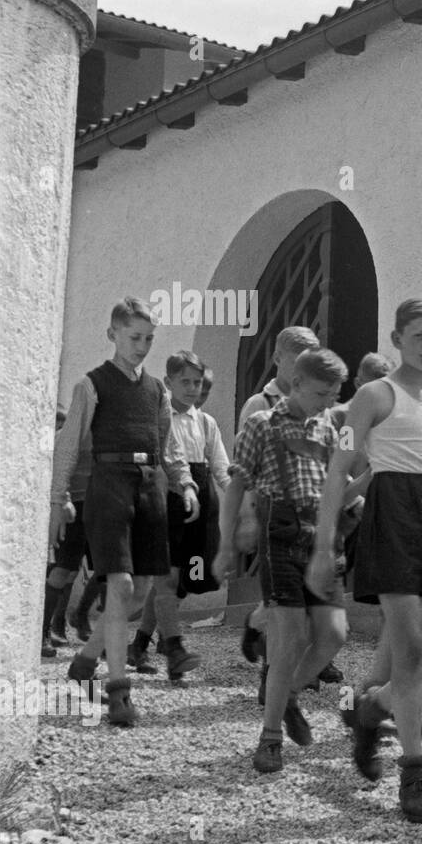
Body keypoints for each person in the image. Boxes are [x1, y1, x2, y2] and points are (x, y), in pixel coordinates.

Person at [308, 299, 422, 822]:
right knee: (411, 649)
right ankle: (414, 773)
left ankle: (372, 707)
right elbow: (340, 466)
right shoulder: (374, 394)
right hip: (391, 517)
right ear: (397, 338)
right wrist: (325, 546)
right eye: (419, 336)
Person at [50, 297, 197, 726]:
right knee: (121, 585)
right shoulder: (90, 384)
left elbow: (168, 444)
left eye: (149, 338)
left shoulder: (157, 390)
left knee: (141, 589)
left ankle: (83, 664)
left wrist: (183, 482)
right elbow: (69, 445)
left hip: (150, 486)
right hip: (109, 485)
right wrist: (59, 498)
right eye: (134, 337)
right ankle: (118, 692)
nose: (142, 346)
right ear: (113, 334)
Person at [216, 348, 352, 773]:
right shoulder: (261, 423)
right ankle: (270, 738)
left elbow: (336, 487)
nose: (327, 402)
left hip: (320, 536)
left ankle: (290, 693)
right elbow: (237, 486)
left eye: (333, 394)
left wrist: (366, 487)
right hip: (279, 534)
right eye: (320, 393)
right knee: (288, 639)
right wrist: (226, 543)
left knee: (334, 633)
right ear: (295, 384)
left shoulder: (328, 427)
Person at [129, 351, 231, 680]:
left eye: (197, 382)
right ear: (169, 382)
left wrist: (243, 499)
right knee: (168, 579)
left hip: (199, 505)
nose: (191, 388)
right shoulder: (161, 417)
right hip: (166, 500)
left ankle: (140, 643)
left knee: (181, 583)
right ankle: (174, 649)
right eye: (184, 381)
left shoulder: (206, 422)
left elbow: (220, 467)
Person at [237, 326, 321, 669]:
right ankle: (275, 674)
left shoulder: (314, 404)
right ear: (276, 359)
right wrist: (247, 515)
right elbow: (242, 467)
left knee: (307, 587)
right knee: (284, 595)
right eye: (297, 361)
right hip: (272, 510)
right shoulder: (260, 404)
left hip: (309, 510)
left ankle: (257, 626)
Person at [43, 410, 103, 655]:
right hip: (74, 507)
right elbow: (57, 469)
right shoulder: (68, 435)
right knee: (64, 569)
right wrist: (64, 499)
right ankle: (44, 631)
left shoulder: (109, 433)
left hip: (102, 505)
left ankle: (82, 616)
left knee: (109, 568)